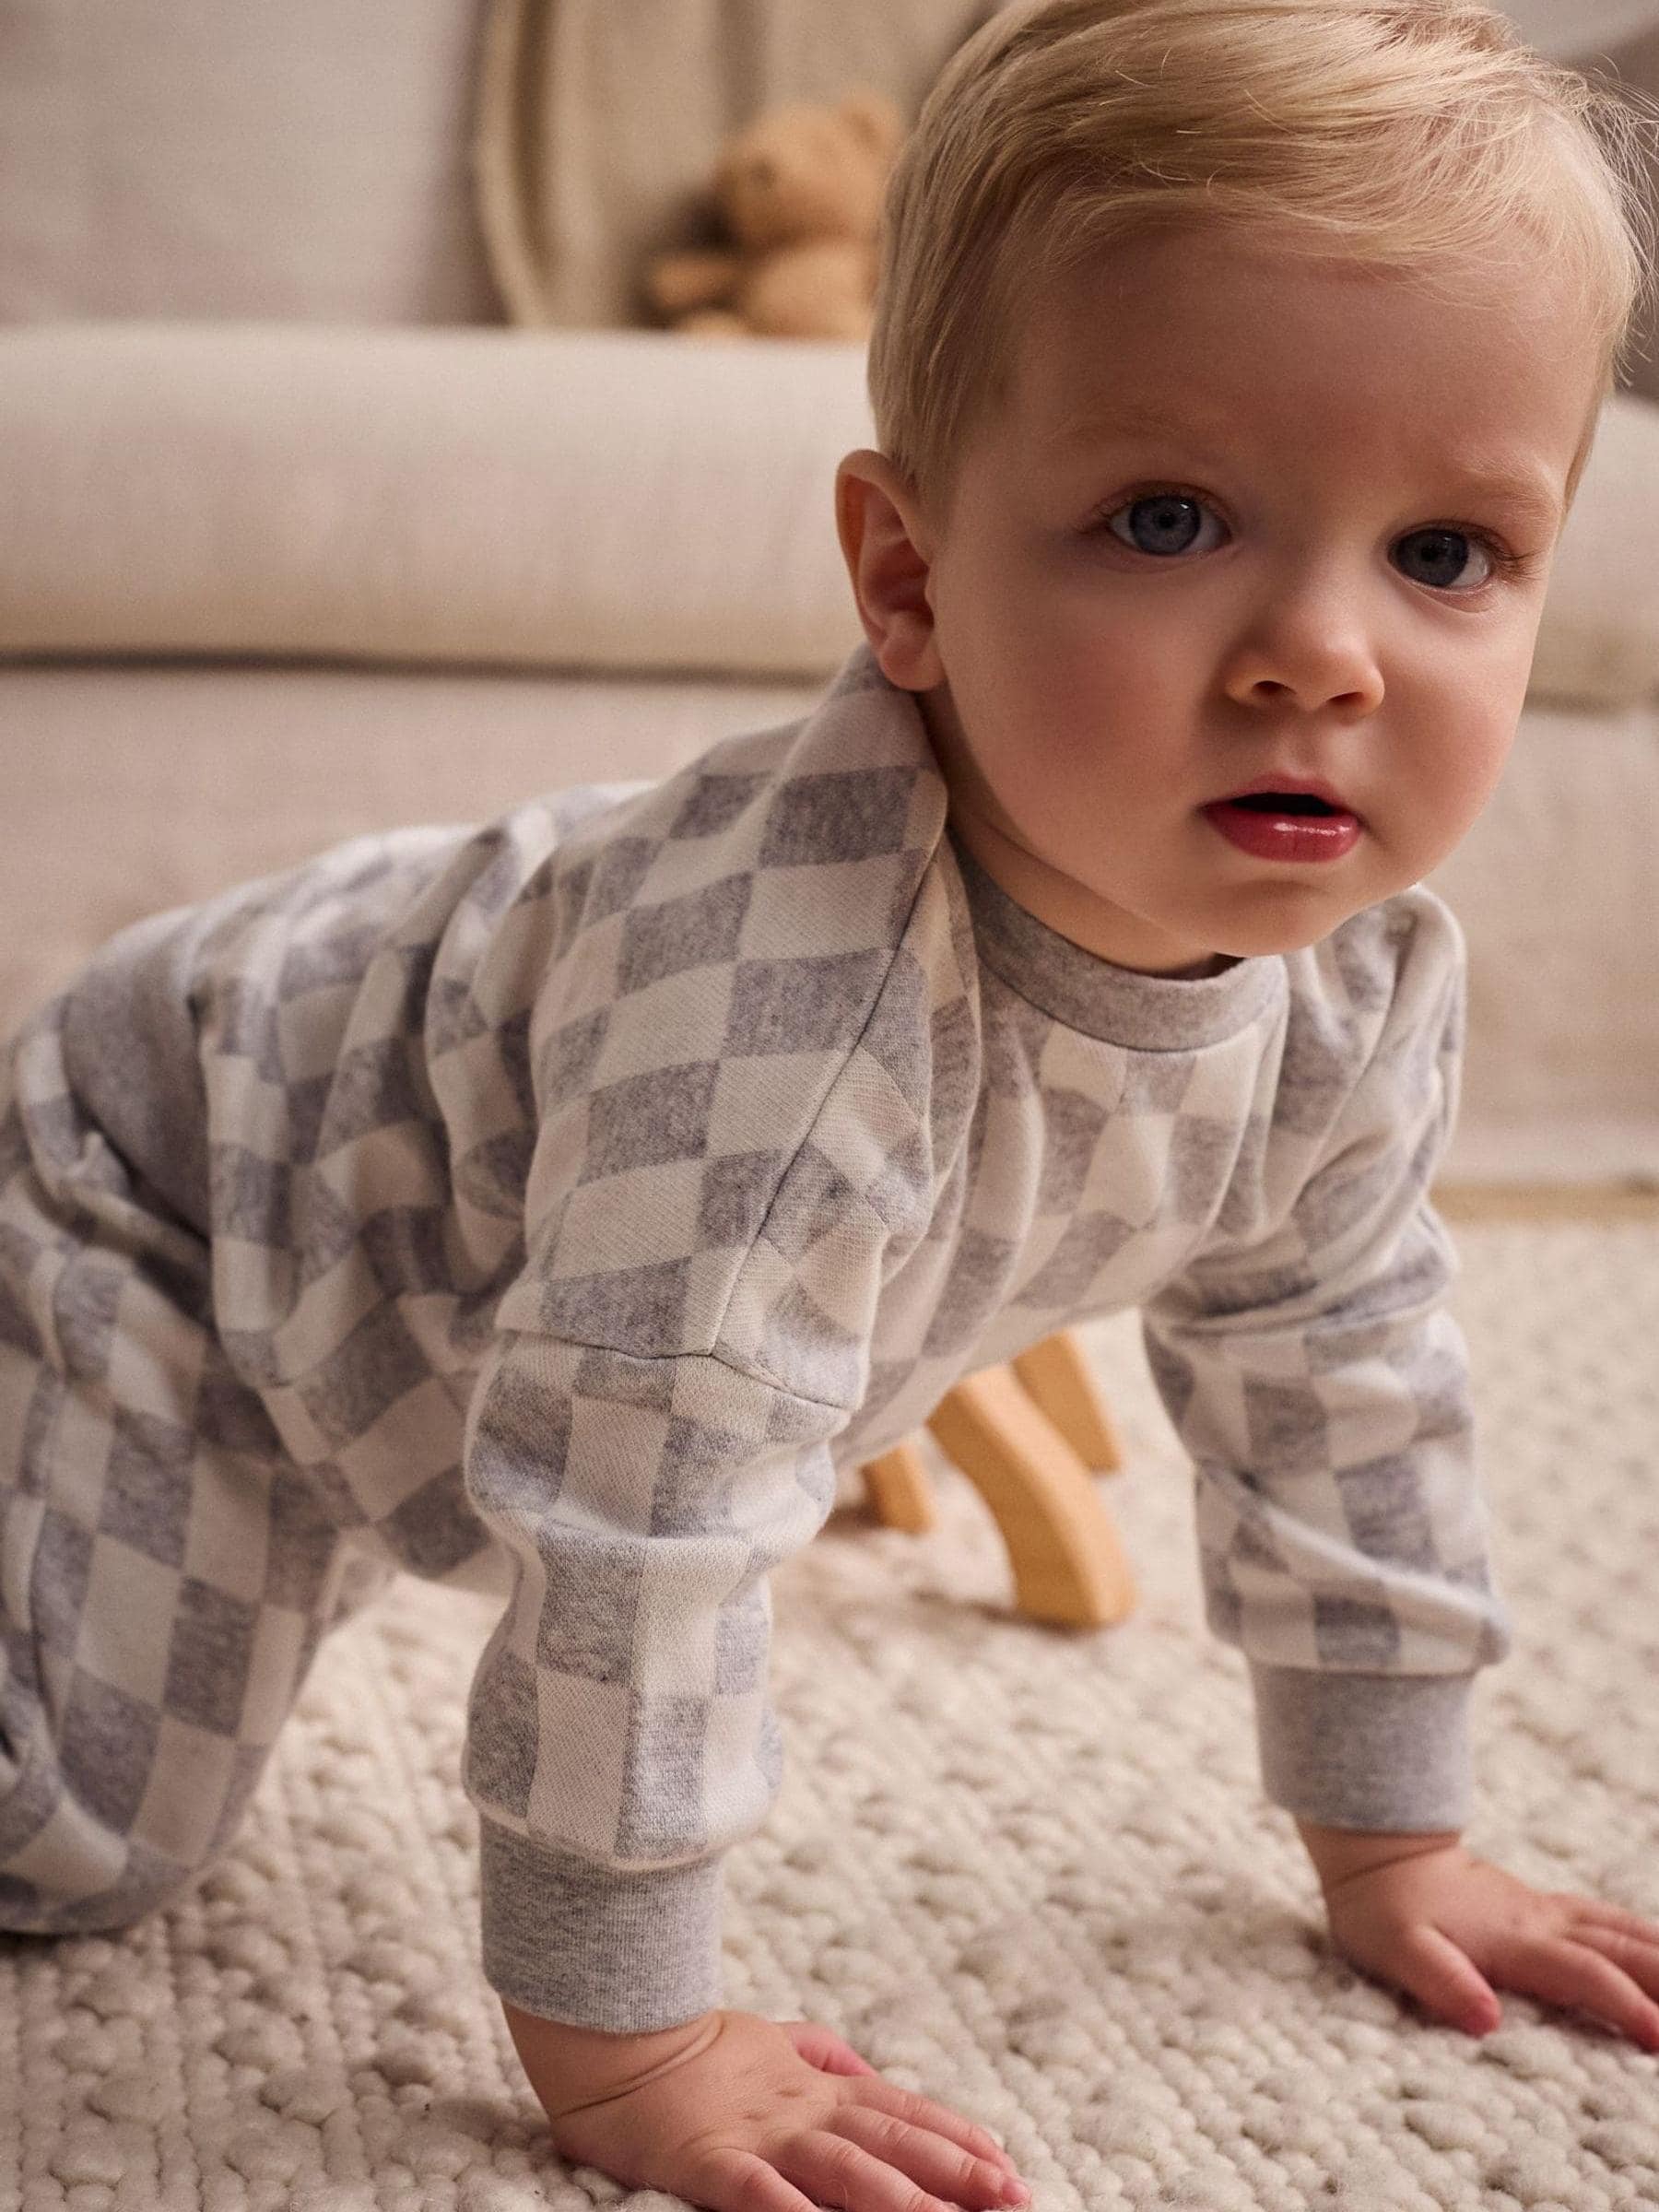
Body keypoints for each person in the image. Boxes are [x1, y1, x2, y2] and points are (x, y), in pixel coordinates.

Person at [4, 0, 1659, 2202]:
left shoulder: (1351, 983)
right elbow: (638, 1528)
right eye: (1171, 517)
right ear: (907, 580)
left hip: (482, 1206)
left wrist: (1400, 1839)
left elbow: (1343, 1379)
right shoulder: (784, 1043)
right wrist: (632, 2051)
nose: (1324, 655)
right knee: (75, 1823)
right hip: (187, 1202)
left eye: (1448, 556)